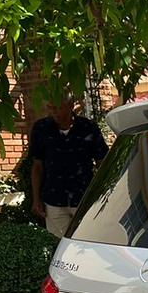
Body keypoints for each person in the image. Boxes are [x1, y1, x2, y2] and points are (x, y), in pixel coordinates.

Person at [29, 95, 109, 238]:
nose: (55, 112)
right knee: (59, 245)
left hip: (84, 198)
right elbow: (37, 166)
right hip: (54, 200)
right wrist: (36, 199)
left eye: (59, 107)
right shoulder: (41, 129)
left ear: (71, 106)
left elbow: (102, 162)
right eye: (51, 108)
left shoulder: (88, 128)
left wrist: (103, 194)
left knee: (88, 242)